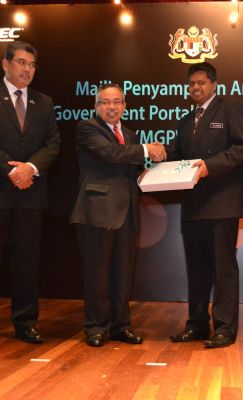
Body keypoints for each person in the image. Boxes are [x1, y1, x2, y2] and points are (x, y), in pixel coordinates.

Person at [0, 41, 61, 347]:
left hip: (30, 194)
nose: (27, 69)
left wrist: (30, 168)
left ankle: (25, 322)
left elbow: (53, 144)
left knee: (27, 263)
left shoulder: (44, 102)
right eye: (21, 62)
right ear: (5, 64)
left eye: (32, 65)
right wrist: (12, 171)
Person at [69, 84, 166, 347]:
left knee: (123, 273)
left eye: (116, 102)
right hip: (97, 211)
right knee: (97, 273)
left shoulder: (130, 135)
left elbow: (133, 169)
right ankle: (95, 327)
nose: (111, 107)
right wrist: (147, 150)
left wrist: (157, 162)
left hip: (127, 212)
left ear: (124, 106)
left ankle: (121, 326)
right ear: (96, 106)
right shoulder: (87, 128)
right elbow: (110, 154)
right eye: (105, 102)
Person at [168, 62, 243, 348]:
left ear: (214, 84)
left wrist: (210, 166)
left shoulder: (230, 109)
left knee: (223, 269)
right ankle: (197, 325)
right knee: (197, 269)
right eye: (192, 83)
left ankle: (225, 328)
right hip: (193, 205)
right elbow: (178, 158)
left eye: (201, 83)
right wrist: (158, 157)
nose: (196, 88)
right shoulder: (185, 120)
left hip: (222, 203)